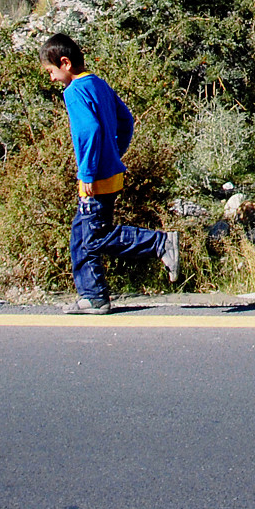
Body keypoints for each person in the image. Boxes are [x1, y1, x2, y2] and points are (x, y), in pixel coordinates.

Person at [40, 32, 178, 313]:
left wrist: (88, 172)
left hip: (96, 179)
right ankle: (93, 296)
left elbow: (88, 130)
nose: (52, 79)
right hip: (111, 172)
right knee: (80, 234)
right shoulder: (98, 83)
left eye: (51, 72)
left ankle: (160, 243)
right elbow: (126, 121)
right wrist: (114, 153)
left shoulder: (74, 91)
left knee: (96, 236)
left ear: (65, 63)